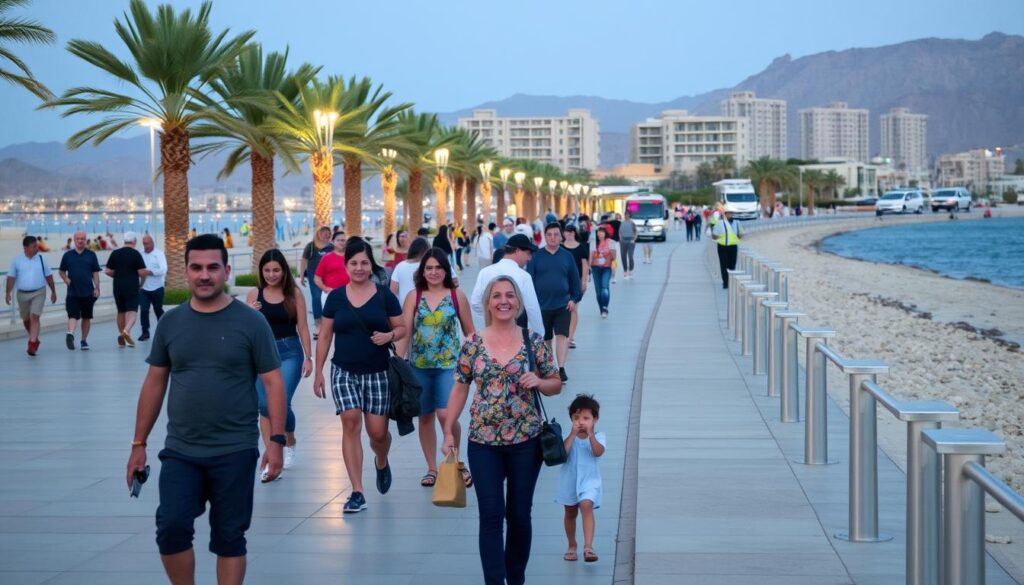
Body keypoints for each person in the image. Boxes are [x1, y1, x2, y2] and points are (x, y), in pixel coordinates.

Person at [125, 234, 286, 585]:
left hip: (235, 450)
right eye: (196, 268)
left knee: (229, 538)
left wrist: (276, 441)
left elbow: (273, 382)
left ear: (227, 271)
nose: (204, 275)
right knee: (171, 527)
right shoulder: (171, 323)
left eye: (213, 267)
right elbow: (154, 383)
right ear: (185, 272)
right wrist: (139, 445)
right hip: (181, 451)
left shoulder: (251, 322)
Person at [442, 276, 562, 585]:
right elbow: (459, 389)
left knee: (520, 514)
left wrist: (539, 381)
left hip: (526, 441)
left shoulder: (533, 341)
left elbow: (555, 384)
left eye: (510, 296)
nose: (503, 301)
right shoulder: (473, 343)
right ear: (488, 303)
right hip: (483, 442)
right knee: (491, 516)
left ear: (518, 303)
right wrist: (447, 432)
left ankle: (516, 577)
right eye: (497, 296)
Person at [313, 238, 406, 514]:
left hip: (378, 372)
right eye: (354, 263)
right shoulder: (336, 297)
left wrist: (389, 335)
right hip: (343, 370)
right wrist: (318, 370)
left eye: (364, 263)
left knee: (378, 433)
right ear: (346, 265)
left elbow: (401, 328)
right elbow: (326, 334)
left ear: (370, 264)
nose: (359, 268)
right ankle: (357, 491)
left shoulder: (383, 295)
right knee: (350, 423)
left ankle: (381, 459)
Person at [398, 248, 474, 488]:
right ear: (422, 271)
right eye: (428, 268)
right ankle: (432, 467)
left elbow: (470, 332)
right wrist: (398, 363)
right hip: (418, 367)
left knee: (446, 416)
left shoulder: (456, 295)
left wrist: (478, 361)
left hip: (449, 367)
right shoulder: (414, 296)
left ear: (446, 270)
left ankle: (455, 461)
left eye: (438, 268)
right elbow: (405, 331)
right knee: (426, 417)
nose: (433, 272)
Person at [246, 250, 312, 478]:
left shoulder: (294, 293)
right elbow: (246, 330)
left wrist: (309, 357)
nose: (271, 275)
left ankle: (288, 439)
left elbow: (303, 327)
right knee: (264, 406)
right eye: (267, 270)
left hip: (289, 351)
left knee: (281, 401)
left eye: (276, 270)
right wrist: (249, 313)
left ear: (283, 271)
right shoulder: (254, 294)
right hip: (261, 354)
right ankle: (273, 455)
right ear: (261, 271)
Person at [527, 223, 582, 382]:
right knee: (546, 338)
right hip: (542, 306)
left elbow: (574, 281)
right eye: (549, 234)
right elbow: (529, 281)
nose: (552, 237)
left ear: (561, 236)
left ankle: (562, 367)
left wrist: (574, 299)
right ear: (545, 236)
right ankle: (550, 367)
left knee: (562, 336)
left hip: (563, 305)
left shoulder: (567, 256)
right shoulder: (536, 256)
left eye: (556, 234)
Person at [557, 394, 606, 563]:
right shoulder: (569, 437)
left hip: (589, 481)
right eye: (576, 417)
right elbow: (563, 454)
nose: (581, 422)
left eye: (586, 418)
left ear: (595, 420)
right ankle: (572, 544)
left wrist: (590, 435)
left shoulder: (599, 436)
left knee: (586, 505)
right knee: (570, 512)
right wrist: (571, 435)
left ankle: (588, 546)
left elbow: (598, 452)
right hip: (569, 481)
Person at [470, 233, 544, 334]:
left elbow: (475, 303)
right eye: (528, 253)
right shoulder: (524, 276)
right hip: (516, 333)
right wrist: (540, 334)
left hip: (492, 331)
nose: (529, 258)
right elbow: (532, 309)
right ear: (517, 251)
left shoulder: (485, 272)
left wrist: (494, 314)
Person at [5, 235, 57, 356]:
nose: (37, 248)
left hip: (39, 292)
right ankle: (34, 338)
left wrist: (53, 291)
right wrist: (7, 292)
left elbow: (49, 276)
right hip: (22, 294)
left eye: (37, 246)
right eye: (34, 246)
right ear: (26, 248)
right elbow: (11, 277)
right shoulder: (17, 260)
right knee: (26, 319)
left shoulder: (42, 258)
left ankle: (32, 344)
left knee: (34, 317)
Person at [58, 231, 101, 351]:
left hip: (88, 292)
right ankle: (70, 334)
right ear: (74, 240)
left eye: (82, 239)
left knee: (86, 317)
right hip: (73, 292)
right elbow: (61, 271)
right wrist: (66, 279)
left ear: (85, 240)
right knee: (73, 315)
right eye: (78, 239)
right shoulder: (68, 255)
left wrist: (97, 287)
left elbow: (95, 272)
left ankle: (83, 340)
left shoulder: (91, 255)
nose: (80, 241)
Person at [105, 232, 147, 347]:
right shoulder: (136, 254)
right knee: (132, 311)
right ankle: (126, 331)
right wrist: (142, 284)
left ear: (124, 241)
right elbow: (142, 272)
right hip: (132, 285)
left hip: (118, 286)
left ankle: (122, 338)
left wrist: (118, 275)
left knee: (121, 311)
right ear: (134, 241)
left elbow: (107, 271)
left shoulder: (115, 253)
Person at [301, 226, 334, 337]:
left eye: (328, 233)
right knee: (316, 298)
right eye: (324, 232)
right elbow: (303, 261)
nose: (326, 234)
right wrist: (301, 276)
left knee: (329, 299)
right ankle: (318, 325)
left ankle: (329, 324)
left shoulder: (332, 247)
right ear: (318, 233)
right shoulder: (310, 247)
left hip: (329, 278)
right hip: (314, 278)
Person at [561, 224, 589, 350]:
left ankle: (570, 337)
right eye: (567, 232)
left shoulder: (581, 247)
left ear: (574, 233)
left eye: (571, 232)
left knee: (573, 308)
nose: (569, 234)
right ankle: (563, 334)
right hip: (561, 281)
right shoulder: (560, 247)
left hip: (575, 281)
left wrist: (584, 281)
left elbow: (585, 265)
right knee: (562, 309)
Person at [138, 234, 167, 342]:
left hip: (158, 287)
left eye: (147, 243)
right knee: (144, 310)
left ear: (152, 243)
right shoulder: (140, 253)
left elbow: (163, 269)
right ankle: (145, 332)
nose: (145, 246)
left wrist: (149, 272)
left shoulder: (159, 254)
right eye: (144, 243)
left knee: (158, 309)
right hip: (144, 288)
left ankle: (164, 329)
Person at [313, 230, 350, 310]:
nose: (341, 242)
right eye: (338, 240)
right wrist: (325, 288)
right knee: (330, 321)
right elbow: (317, 278)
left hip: (349, 294)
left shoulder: (351, 257)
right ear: (333, 242)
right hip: (330, 294)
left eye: (343, 240)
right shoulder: (326, 258)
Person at [389, 237, 431, 305]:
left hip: (403, 308)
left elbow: (392, 292)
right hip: (428, 309)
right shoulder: (432, 265)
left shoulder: (400, 266)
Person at [712, 209, 742, 289]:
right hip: (722, 246)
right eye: (729, 213)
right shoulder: (719, 223)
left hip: (733, 246)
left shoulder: (737, 223)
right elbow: (714, 236)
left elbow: (740, 235)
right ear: (725, 214)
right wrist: (721, 237)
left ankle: (731, 282)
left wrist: (735, 238)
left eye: (732, 213)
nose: (731, 215)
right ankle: (725, 282)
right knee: (723, 265)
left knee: (732, 265)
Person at [589, 227, 615, 318]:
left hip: (606, 268)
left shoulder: (610, 242)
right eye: (599, 232)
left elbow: (614, 257)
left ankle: (605, 308)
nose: (600, 234)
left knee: (604, 287)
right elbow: (590, 256)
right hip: (595, 268)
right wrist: (588, 268)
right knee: (598, 292)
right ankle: (601, 309)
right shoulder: (593, 243)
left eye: (602, 232)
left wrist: (612, 251)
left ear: (605, 233)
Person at [619, 211, 637, 279]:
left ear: (629, 215)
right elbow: (620, 232)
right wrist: (620, 239)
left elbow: (636, 232)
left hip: (631, 240)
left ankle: (631, 269)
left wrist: (634, 239)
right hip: (623, 240)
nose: (626, 216)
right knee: (623, 256)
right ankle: (625, 271)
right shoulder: (622, 223)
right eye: (625, 214)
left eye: (627, 215)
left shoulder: (632, 223)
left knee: (630, 256)